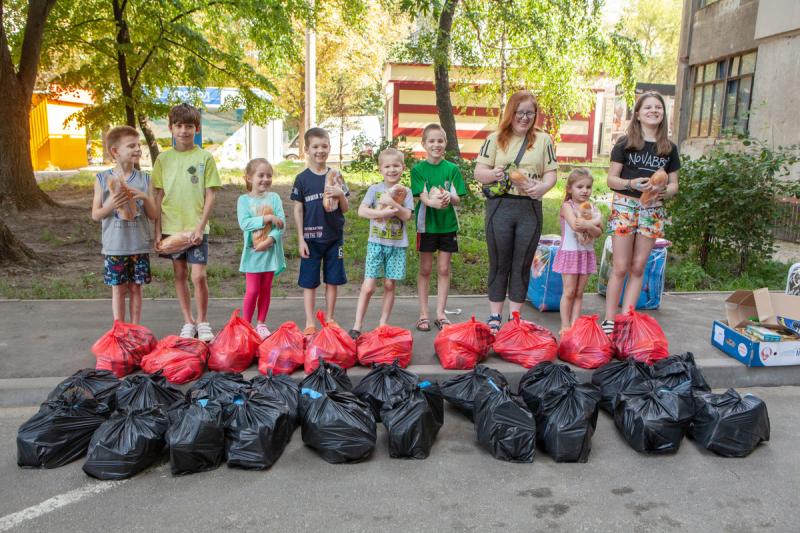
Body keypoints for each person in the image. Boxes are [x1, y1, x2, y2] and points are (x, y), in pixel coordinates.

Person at [474, 90, 558, 333]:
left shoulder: (544, 140)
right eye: (520, 112)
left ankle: (515, 317)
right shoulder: (494, 138)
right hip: (500, 206)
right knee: (499, 262)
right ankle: (495, 316)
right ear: (511, 113)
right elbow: (479, 172)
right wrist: (493, 173)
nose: (524, 117)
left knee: (522, 263)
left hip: (529, 208)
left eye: (530, 113)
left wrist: (542, 187)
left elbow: (551, 174)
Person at [603, 91, 679, 335]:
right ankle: (609, 320)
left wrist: (663, 191)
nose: (654, 111)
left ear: (663, 113)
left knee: (637, 267)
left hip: (652, 210)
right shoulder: (624, 143)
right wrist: (631, 184)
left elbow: (674, 185)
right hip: (625, 206)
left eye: (658, 107)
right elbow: (611, 180)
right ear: (637, 114)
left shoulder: (669, 148)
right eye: (648, 107)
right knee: (620, 266)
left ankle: (626, 320)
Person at [153, 103, 221, 341]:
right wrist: (157, 232)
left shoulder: (205, 158)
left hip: (196, 229)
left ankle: (202, 321)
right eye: (179, 125)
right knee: (180, 275)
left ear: (197, 129)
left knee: (198, 276)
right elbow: (158, 195)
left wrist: (200, 227)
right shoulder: (163, 159)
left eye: (189, 126)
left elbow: (211, 195)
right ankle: (188, 321)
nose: (184, 130)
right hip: (171, 228)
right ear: (171, 128)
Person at [91, 126, 157, 324]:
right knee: (119, 289)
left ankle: (135, 328)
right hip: (115, 247)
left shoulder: (145, 179)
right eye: (131, 146)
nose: (137, 149)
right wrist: (111, 205)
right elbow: (96, 215)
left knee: (136, 288)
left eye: (138, 145)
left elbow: (153, 215)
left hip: (138, 245)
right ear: (115, 151)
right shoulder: (102, 179)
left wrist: (145, 197)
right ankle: (119, 328)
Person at [349, 148, 414, 340]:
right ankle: (357, 325)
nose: (392, 170)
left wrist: (393, 203)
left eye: (396, 166)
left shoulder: (406, 192)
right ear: (380, 169)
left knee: (389, 284)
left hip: (397, 246)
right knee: (368, 286)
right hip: (376, 244)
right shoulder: (374, 190)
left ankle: (383, 324)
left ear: (403, 167)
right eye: (387, 166)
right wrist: (382, 212)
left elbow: (407, 215)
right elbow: (362, 211)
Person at [291, 127, 349, 335]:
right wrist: (301, 239)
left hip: (334, 238)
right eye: (315, 147)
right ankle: (310, 322)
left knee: (333, 280)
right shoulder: (302, 179)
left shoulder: (336, 176)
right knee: (309, 282)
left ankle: (330, 318)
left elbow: (345, 208)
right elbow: (298, 209)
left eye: (324, 146)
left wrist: (340, 194)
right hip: (310, 239)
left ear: (329, 147)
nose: (320, 151)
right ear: (306, 149)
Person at [411, 124, 466, 331]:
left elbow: (458, 199)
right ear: (424, 144)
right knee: (425, 269)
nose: (436, 145)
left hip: (447, 226)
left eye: (440, 141)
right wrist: (433, 202)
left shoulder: (452, 169)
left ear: (445, 143)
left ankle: (441, 314)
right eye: (432, 141)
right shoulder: (418, 170)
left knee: (443, 269)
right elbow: (422, 196)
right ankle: (423, 314)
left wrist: (449, 196)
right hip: (426, 226)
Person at [237, 158, 286, 339]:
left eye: (269, 175)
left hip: (269, 252)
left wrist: (270, 240)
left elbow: (281, 223)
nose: (265, 179)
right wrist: (267, 218)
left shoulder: (274, 198)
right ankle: (246, 325)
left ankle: (261, 324)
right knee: (252, 290)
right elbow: (245, 223)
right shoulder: (243, 200)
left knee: (265, 288)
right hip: (253, 253)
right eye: (261, 175)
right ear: (249, 178)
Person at [552, 168, 602, 333]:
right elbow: (576, 225)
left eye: (588, 187)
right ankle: (565, 325)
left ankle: (575, 325)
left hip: (585, 254)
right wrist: (591, 224)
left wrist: (590, 225)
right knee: (569, 291)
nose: (585, 190)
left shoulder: (593, 208)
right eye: (580, 187)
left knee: (579, 292)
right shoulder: (567, 206)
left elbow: (599, 232)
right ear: (569, 188)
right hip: (570, 253)